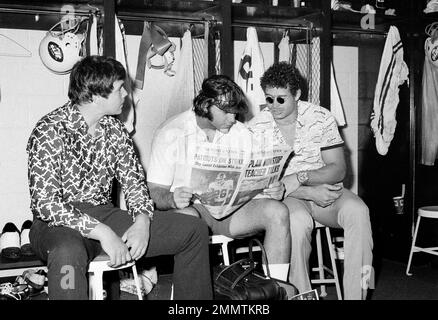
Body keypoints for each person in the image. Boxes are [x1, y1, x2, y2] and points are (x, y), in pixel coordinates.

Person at [26, 55, 212, 300]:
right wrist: (103, 232)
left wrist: (142, 223)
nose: (126, 94)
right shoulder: (49, 130)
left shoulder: (115, 130)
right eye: (118, 89)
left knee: (194, 229)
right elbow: (46, 203)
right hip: (56, 224)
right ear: (94, 96)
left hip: (104, 214)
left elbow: (135, 184)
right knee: (67, 253)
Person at [147, 74, 292, 284]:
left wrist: (271, 188)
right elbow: (153, 192)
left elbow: (253, 178)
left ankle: (278, 290)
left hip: (230, 211)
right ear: (205, 106)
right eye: (226, 112)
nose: (233, 119)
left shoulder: (240, 132)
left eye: (235, 112)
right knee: (189, 217)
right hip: (190, 211)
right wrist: (171, 198)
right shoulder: (171, 133)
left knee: (277, 212)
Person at [249, 61, 373, 300]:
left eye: (281, 99)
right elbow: (259, 182)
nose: (274, 106)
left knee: (359, 212)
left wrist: (300, 177)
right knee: (296, 221)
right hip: (288, 199)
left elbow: (338, 170)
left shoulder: (321, 117)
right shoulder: (257, 127)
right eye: (269, 99)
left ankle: (358, 295)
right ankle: (301, 296)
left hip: (325, 191)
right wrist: (305, 192)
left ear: (297, 94)